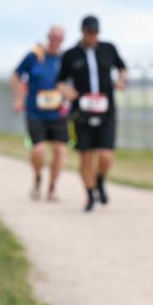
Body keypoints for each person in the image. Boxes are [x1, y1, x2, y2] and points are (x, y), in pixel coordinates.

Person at [56, 15, 127, 212]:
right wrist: (66, 91)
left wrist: (121, 80)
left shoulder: (108, 49)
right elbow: (60, 81)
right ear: (82, 32)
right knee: (86, 155)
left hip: (106, 109)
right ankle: (89, 194)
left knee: (105, 155)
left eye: (95, 33)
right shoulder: (71, 55)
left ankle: (100, 180)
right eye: (89, 33)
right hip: (82, 111)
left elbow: (122, 68)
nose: (92, 37)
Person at [13, 26, 68, 201]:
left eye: (59, 38)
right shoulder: (35, 56)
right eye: (53, 37)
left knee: (60, 149)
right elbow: (17, 75)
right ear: (48, 37)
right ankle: (38, 177)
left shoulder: (64, 59)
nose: (56, 40)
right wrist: (19, 99)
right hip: (35, 111)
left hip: (58, 112)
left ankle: (52, 188)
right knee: (38, 150)